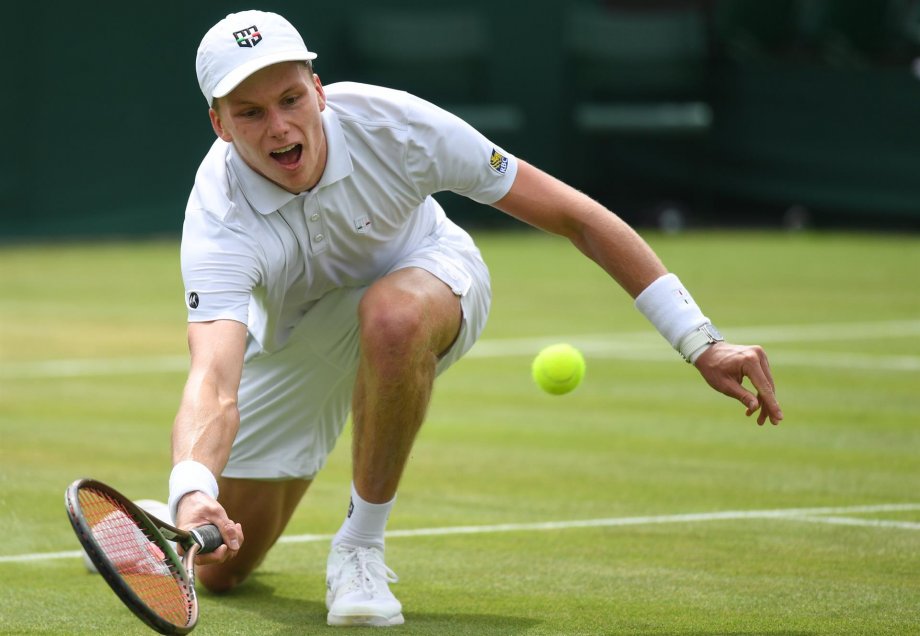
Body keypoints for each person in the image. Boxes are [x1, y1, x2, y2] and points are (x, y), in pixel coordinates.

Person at [170, 9, 784, 628]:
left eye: (291, 98)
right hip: (303, 337)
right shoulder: (218, 218)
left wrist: (700, 340)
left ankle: (359, 547)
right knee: (221, 570)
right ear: (219, 124)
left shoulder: (399, 127)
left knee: (391, 317)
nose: (279, 126)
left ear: (319, 90)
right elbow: (214, 383)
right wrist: (193, 488)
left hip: (426, 279)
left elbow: (577, 217)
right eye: (250, 112)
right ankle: (173, 507)